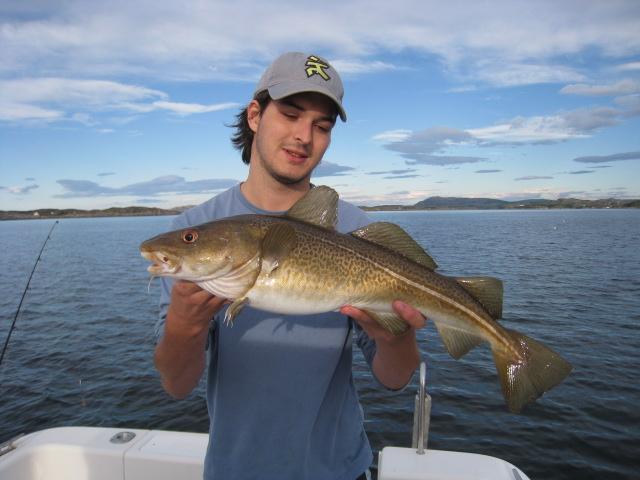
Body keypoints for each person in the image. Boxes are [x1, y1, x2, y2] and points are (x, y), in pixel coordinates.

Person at [154, 52, 426, 480]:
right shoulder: (195, 233)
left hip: (340, 470)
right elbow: (176, 384)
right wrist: (183, 326)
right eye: (291, 114)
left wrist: (397, 337)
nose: (304, 136)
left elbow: (395, 378)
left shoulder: (354, 232)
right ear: (255, 115)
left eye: (322, 126)